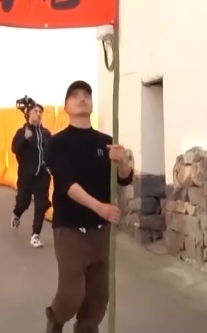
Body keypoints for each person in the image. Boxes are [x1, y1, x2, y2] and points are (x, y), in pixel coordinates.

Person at [44, 80, 133, 333]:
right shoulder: (58, 143)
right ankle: (56, 318)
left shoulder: (106, 142)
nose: (82, 99)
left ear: (92, 104)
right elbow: (66, 184)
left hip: (101, 231)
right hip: (70, 229)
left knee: (98, 297)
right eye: (75, 96)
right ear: (66, 107)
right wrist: (99, 207)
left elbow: (123, 179)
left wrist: (122, 161)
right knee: (71, 294)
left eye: (86, 95)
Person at [10, 103, 52, 248]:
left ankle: (35, 235)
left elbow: (51, 151)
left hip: (43, 175)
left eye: (40, 112)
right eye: (35, 111)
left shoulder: (46, 133)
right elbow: (15, 149)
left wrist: (50, 167)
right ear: (28, 114)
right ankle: (17, 214)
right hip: (26, 174)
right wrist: (24, 139)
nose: (38, 114)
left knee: (41, 204)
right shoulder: (22, 132)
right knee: (23, 201)